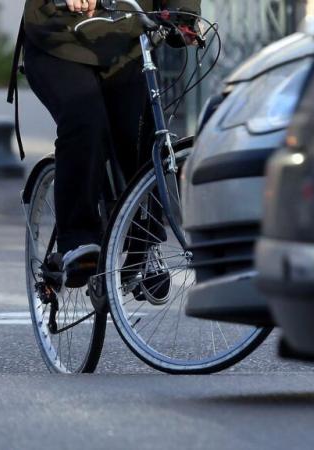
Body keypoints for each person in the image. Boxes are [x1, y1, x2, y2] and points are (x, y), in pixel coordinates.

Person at [19, 0, 201, 288]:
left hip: (125, 38)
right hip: (59, 38)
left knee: (141, 131)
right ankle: (77, 240)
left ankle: (144, 239)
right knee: (85, 118)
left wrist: (184, 15)